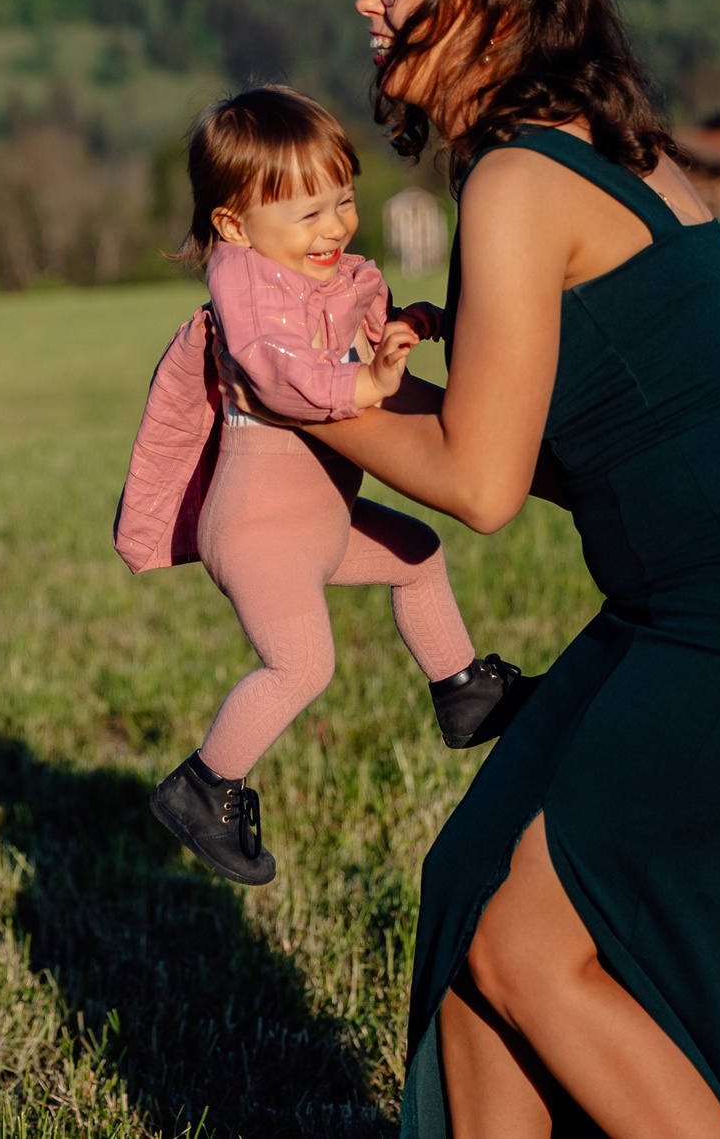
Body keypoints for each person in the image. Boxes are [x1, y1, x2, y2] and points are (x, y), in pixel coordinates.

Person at [287, 0, 720, 1136]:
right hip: (703, 597)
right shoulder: (609, 155)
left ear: (493, 8)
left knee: (526, 951)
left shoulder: (516, 183)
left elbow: (479, 483)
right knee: (470, 889)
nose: (369, 2)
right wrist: (403, 382)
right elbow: (610, 435)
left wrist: (291, 393)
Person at [116, 86, 527, 888]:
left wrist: (402, 328)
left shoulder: (322, 277)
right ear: (235, 225)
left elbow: (359, 335)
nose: (336, 226)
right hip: (259, 531)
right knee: (302, 664)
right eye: (308, 214)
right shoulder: (246, 291)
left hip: (317, 524)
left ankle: (463, 691)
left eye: (342, 200)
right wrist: (362, 385)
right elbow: (283, 372)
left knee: (417, 552)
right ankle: (204, 785)